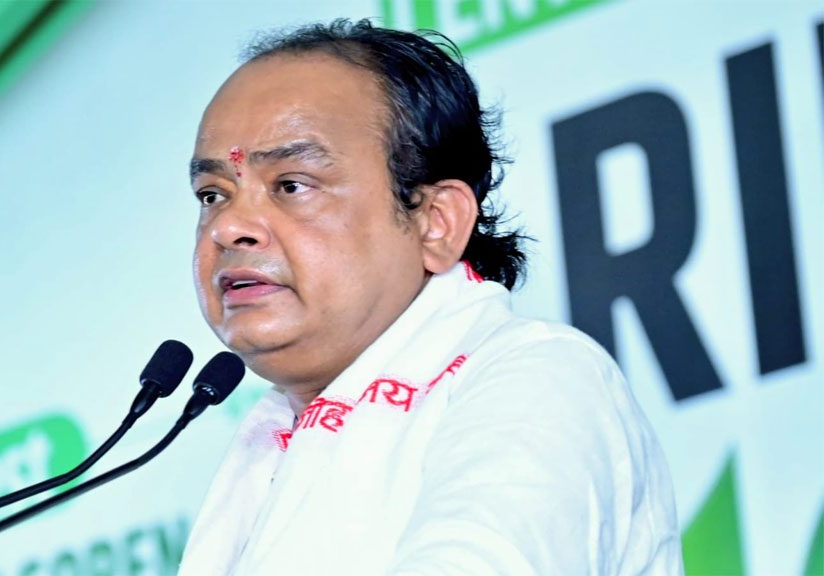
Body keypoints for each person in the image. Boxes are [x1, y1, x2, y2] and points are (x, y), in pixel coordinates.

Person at [179, 18, 683, 576]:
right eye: (212, 195)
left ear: (436, 221)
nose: (228, 227)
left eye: (291, 185)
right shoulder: (272, 438)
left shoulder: (534, 375)